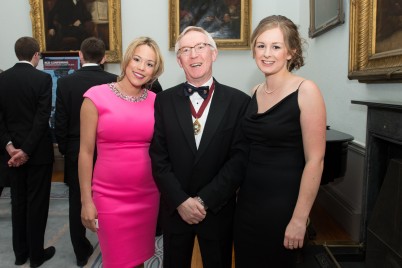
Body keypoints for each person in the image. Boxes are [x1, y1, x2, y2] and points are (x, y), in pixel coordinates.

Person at [149, 26, 250, 268]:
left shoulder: (239, 102)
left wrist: (204, 201)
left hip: (217, 209)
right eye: (186, 50)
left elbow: (239, 159)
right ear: (179, 60)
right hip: (176, 209)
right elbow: (158, 157)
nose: (193, 55)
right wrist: (181, 201)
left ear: (213, 54)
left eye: (200, 47)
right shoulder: (163, 101)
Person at [233, 15, 326, 267]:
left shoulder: (306, 91)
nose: (266, 53)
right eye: (261, 45)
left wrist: (299, 219)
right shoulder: (253, 92)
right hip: (248, 205)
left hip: (284, 207)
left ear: (291, 52)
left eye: (276, 46)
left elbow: (315, 161)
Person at [78, 36, 164, 268]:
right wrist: (86, 200)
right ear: (127, 60)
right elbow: (85, 152)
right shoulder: (95, 97)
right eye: (137, 59)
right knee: (117, 261)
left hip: (147, 196)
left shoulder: (158, 102)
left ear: (155, 71)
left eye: (149, 63)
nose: (141, 67)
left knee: (138, 261)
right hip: (109, 197)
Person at [54, 37, 117, 266]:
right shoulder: (114, 81)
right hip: (107, 148)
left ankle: (81, 253)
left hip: (74, 149)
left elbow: (59, 121)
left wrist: (65, 149)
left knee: (77, 200)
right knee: (109, 198)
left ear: (80, 56)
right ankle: (112, 246)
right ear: (104, 58)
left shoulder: (65, 83)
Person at [0, 37, 56, 267]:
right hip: (38, 154)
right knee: (37, 204)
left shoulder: (2, 79)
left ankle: (20, 254)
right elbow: (42, 118)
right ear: (36, 55)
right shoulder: (42, 78)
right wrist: (27, 150)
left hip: (11, 155)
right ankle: (36, 255)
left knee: (17, 201)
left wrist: (10, 147)